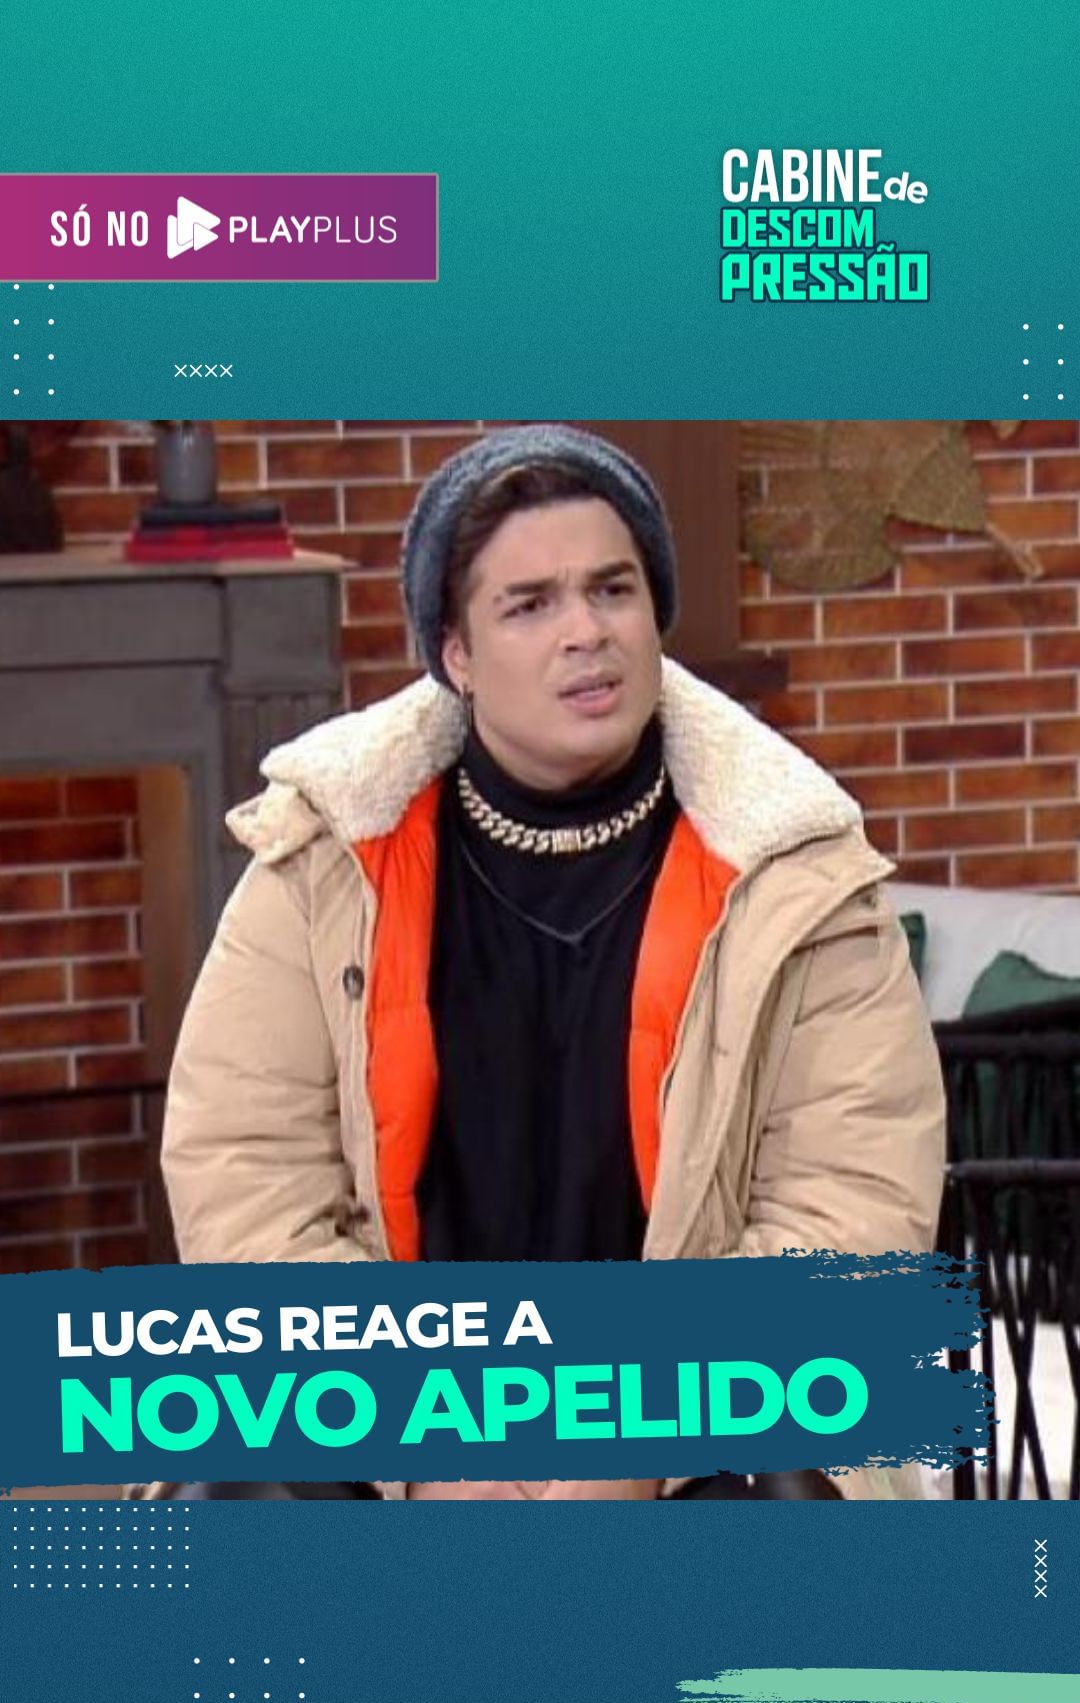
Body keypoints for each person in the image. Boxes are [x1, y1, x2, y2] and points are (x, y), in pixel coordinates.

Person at [146, 424, 945, 1504]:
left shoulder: (800, 880)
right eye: (529, 605)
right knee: (238, 1487)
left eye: (613, 591)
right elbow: (247, 1184)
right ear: (457, 655)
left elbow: (850, 1217)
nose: (587, 633)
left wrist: (624, 1443)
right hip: (396, 1424)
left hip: (708, 1429)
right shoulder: (322, 864)